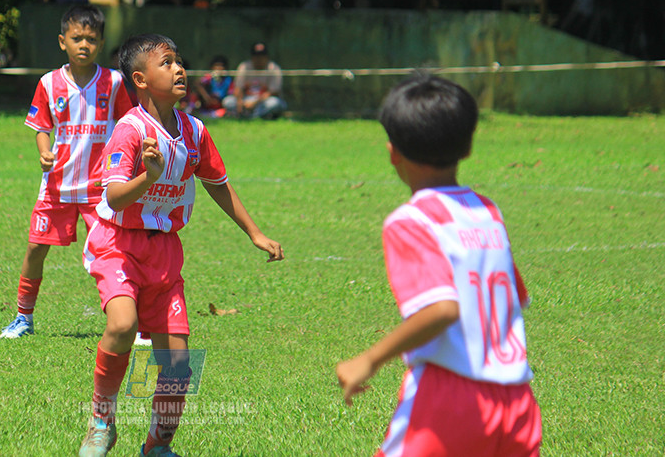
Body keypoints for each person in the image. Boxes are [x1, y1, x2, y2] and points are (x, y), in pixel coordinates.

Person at [77, 33, 285, 457]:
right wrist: (148, 177)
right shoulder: (130, 131)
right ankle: (102, 419)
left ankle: (157, 444)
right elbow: (115, 196)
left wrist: (254, 232)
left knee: (178, 364)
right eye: (167, 62)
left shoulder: (194, 131)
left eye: (179, 61)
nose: (179, 69)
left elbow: (217, 184)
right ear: (140, 79)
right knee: (121, 324)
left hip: (165, 251)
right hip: (117, 242)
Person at [335, 72, 542, 456]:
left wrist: (368, 359)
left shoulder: (411, 221)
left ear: (392, 151)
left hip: (452, 396)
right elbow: (515, 296)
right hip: (518, 401)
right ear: (467, 148)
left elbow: (441, 308)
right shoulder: (486, 211)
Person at [0, 4, 135, 339]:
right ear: (63, 41)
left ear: (101, 43)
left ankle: (133, 320)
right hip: (57, 186)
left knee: (114, 252)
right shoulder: (49, 83)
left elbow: (129, 124)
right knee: (35, 248)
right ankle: (23, 318)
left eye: (91, 39)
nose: (84, 45)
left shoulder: (114, 82)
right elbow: (41, 125)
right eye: (77, 38)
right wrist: (44, 152)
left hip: (100, 189)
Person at [225, 42, 287, 119]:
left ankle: (249, 116)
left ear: (266, 56)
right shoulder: (244, 66)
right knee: (228, 101)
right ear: (252, 57)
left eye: (262, 55)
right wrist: (239, 102)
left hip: (263, 101)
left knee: (274, 104)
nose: (259, 58)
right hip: (246, 100)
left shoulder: (274, 68)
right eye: (256, 55)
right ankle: (254, 115)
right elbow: (238, 88)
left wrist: (255, 103)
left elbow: (273, 92)